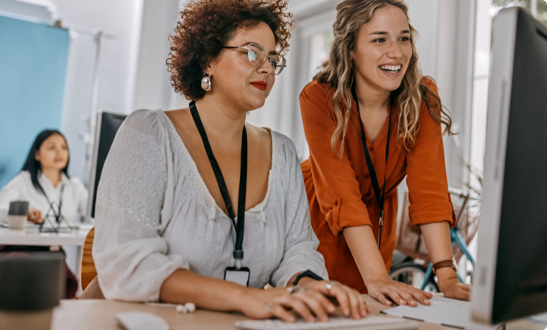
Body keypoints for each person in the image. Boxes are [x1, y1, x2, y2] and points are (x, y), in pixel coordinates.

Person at [93, 0, 369, 322]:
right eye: (252, 53)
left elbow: (298, 251)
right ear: (208, 59)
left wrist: (310, 287)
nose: (266, 68)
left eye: (272, 58)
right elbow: (127, 263)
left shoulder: (281, 152)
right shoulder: (148, 134)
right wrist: (245, 297)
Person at [299, 0, 471, 308]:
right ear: (349, 47)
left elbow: (429, 192)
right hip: (318, 222)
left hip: (378, 227)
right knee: (329, 313)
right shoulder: (319, 98)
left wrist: (447, 277)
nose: (396, 52)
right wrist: (377, 276)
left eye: (403, 38)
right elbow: (343, 196)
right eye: (380, 39)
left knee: (375, 313)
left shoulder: (421, 98)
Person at [0, 129, 88, 298]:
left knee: (68, 287)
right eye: (52, 147)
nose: (60, 152)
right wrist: (21, 210)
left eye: (64, 147)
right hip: (18, 250)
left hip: (52, 254)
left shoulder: (74, 186)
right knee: (32, 289)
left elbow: (97, 214)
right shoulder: (24, 180)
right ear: (37, 154)